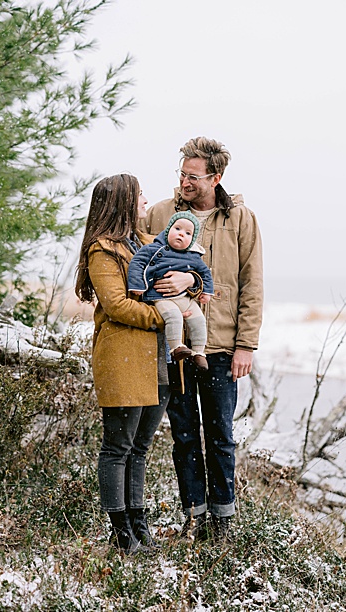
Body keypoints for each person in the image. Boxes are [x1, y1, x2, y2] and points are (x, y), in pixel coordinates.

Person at [143, 136, 264, 542]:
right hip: (173, 346)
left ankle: (223, 522)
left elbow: (252, 283)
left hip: (222, 347)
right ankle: (193, 518)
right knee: (183, 434)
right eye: (181, 174)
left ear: (216, 177)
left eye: (193, 176)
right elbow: (132, 257)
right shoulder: (161, 213)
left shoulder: (241, 219)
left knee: (221, 436)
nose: (184, 182)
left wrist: (246, 344)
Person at [74, 174, 172, 554]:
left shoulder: (148, 243)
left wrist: (190, 283)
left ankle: (138, 526)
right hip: (124, 358)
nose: (146, 199)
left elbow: (183, 272)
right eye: (140, 193)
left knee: (141, 447)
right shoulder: (102, 251)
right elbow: (116, 306)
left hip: (158, 360)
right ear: (124, 201)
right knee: (118, 447)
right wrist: (165, 315)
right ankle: (120, 533)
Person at [127, 211, 214, 371]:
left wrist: (206, 291)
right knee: (173, 317)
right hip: (162, 297)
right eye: (177, 229)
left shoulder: (193, 256)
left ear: (192, 240)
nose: (181, 234)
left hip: (185, 299)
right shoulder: (153, 248)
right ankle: (176, 348)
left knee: (199, 320)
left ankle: (199, 352)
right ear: (168, 230)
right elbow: (137, 262)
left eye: (188, 233)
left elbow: (205, 273)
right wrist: (138, 285)